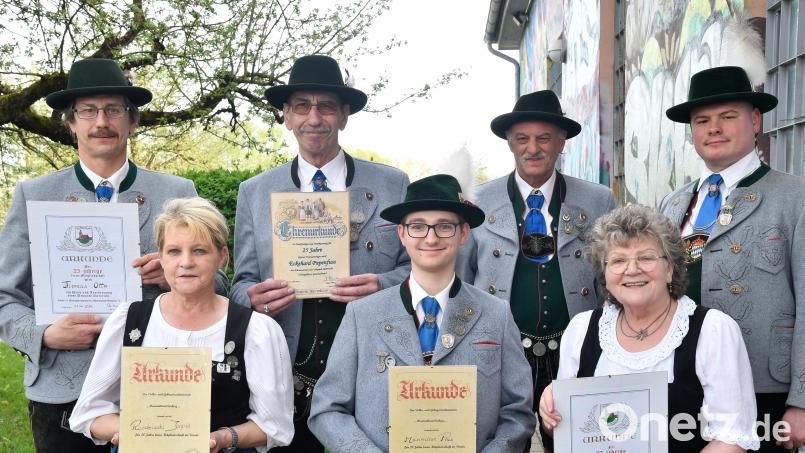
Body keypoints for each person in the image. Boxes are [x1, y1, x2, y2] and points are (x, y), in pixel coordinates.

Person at [0, 58, 224, 453]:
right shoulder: (33, 195)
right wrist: (44, 334)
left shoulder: (177, 190)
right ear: (71, 123)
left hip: (161, 380)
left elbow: (220, 282)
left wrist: (177, 273)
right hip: (62, 388)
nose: (101, 121)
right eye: (88, 110)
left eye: (113, 110)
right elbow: (4, 296)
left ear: (132, 120)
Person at [231, 54, 410, 451]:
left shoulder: (392, 184)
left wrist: (382, 284)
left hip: (372, 370)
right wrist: (253, 299)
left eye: (326, 106)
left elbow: (418, 269)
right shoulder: (255, 192)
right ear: (286, 116)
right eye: (302, 106)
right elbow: (240, 283)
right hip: (286, 375)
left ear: (344, 115)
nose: (314, 118)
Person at [308, 174, 536, 451]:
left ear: (464, 233)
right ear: (401, 234)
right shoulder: (361, 316)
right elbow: (328, 409)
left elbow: (518, 411)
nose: (431, 238)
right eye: (418, 226)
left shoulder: (496, 315)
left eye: (444, 226)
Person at [456, 89, 617, 450]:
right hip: (498, 348)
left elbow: (612, 279)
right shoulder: (477, 201)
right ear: (510, 144)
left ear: (562, 143)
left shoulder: (598, 200)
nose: (533, 148)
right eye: (522, 139)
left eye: (544, 138)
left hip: (575, 348)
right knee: (500, 440)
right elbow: (460, 279)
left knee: (574, 440)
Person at [69, 197, 294, 451]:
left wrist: (222, 439)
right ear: (162, 258)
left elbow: (274, 426)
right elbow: (90, 411)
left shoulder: (255, 330)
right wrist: (129, 431)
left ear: (222, 256)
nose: (186, 262)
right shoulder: (129, 321)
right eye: (174, 251)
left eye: (199, 250)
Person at [660, 66, 805, 451]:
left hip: (763, 388)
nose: (714, 129)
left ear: (755, 120)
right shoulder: (673, 204)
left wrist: (802, 402)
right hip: (684, 383)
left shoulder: (795, 197)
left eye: (728, 117)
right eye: (702, 121)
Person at [539, 204, 759, 452]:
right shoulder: (580, 330)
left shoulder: (713, 331)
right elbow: (567, 433)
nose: (632, 270)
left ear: (670, 269)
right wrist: (551, 411)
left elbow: (732, 437)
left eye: (646, 257)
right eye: (618, 260)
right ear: (605, 275)